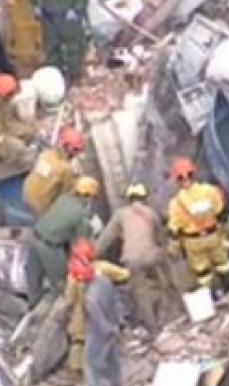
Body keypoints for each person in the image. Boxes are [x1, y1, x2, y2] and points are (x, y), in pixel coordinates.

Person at [96, 182, 171, 331]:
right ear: (144, 198)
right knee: (163, 282)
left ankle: (153, 328)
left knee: (140, 292)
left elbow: (106, 239)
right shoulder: (151, 213)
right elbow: (160, 239)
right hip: (152, 256)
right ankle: (167, 315)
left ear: (129, 199)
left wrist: (91, 254)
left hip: (133, 260)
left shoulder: (120, 215)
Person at [64, 240, 130, 386]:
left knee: (91, 364)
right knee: (111, 357)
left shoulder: (82, 287)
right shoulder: (104, 273)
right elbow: (123, 276)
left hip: (93, 324)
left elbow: (70, 300)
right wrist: (118, 324)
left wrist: (108, 329)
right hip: (109, 321)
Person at [26, 176, 99, 306]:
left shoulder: (63, 198)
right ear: (89, 196)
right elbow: (80, 246)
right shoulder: (81, 214)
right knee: (62, 285)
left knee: (33, 283)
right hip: (50, 247)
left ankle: (31, 310)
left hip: (34, 238)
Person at [165, 157, 229, 289]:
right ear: (193, 174)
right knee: (223, 264)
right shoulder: (210, 191)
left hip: (193, 242)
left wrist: (174, 249)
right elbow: (222, 214)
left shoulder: (175, 203)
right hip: (213, 235)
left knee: (202, 272)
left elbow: (174, 230)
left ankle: (212, 298)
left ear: (177, 180)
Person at [28, 0, 91, 83]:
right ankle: (56, 75)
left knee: (74, 46)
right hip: (49, 16)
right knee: (51, 47)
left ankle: (74, 74)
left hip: (68, 16)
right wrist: (34, 5)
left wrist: (77, 9)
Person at [22, 126, 84, 217]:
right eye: (76, 150)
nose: (76, 153)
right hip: (40, 206)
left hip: (26, 193)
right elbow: (68, 192)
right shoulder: (66, 169)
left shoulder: (46, 154)